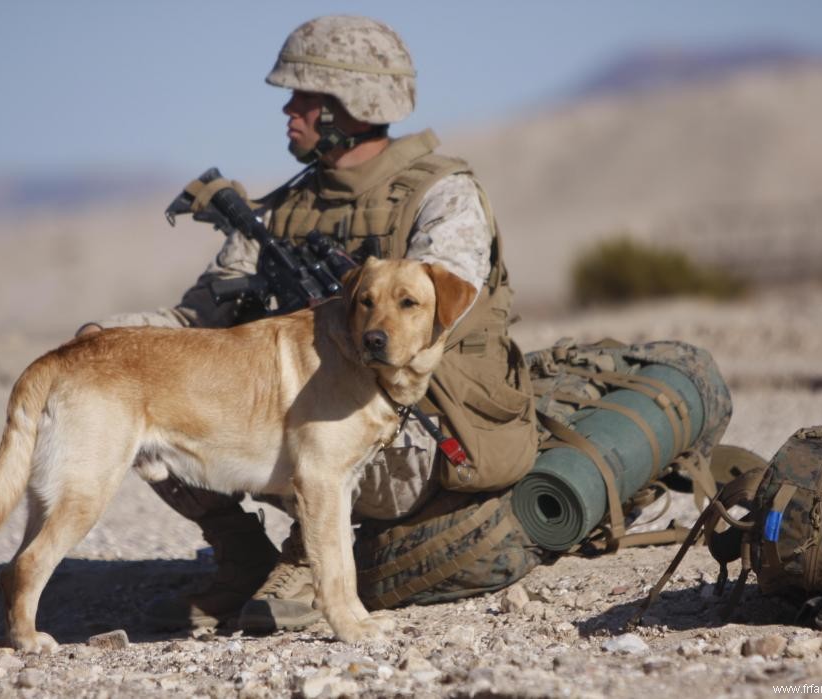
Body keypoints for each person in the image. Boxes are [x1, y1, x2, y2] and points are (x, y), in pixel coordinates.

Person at [77, 14, 538, 633]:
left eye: (305, 98)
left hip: (428, 419)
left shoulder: (440, 193)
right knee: (140, 394)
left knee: (325, 447)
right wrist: (107, 341)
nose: (289, 111)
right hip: (303, 412)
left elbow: (445, 311)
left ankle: (305, 557)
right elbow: (193, 320)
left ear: (352, 105)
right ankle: (243, 556)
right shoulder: (280, 213)